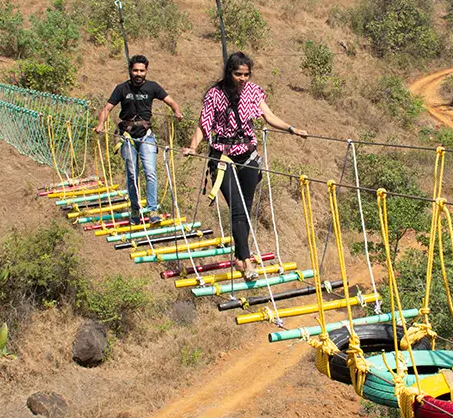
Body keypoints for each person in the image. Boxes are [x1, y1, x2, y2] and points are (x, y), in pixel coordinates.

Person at [182, 52, 307, 281]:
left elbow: (268, 115)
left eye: (246, 74)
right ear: (229, 72)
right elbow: (204, 124)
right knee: (237, 208)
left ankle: (240, 256)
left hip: (248, 156)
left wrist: (291, 129)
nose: (242, 78)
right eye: (238, 74)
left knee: (246, 209)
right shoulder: (215, 94)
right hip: (222, 157)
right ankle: (247, 262)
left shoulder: (253, 91)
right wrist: (192, 147)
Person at [95, 55, 182, 225]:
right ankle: (135, 209)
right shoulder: (122, 89)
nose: (138, 74)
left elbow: (171, 101)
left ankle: (153, 210)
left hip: (146, 135)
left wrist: (177, 112)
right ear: (130, 70)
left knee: (150, 172)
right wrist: (100, 125)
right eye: (135, 70)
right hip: (127, 136)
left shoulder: (152, 87)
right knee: (132, 175)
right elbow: (107, 108)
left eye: (142, 70)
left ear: (146, 71)